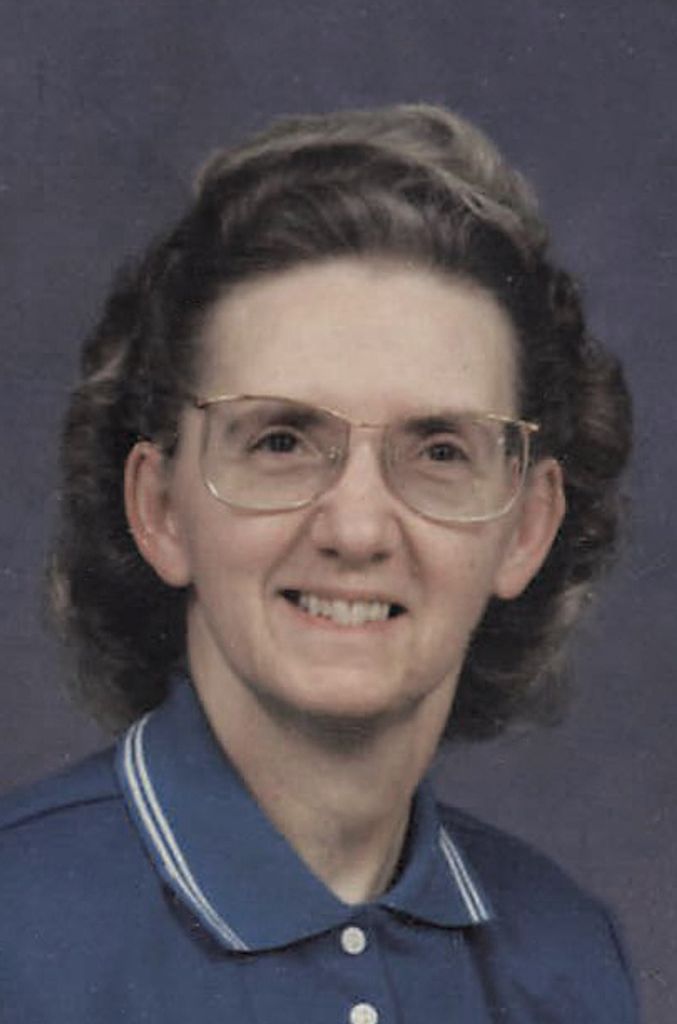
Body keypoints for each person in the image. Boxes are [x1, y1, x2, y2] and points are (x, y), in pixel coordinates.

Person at [0, 104, 638, 1022]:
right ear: (161, 509)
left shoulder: (567, 961)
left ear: (527, 528)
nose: (357, 528)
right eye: (282, 441)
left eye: (440, 450)